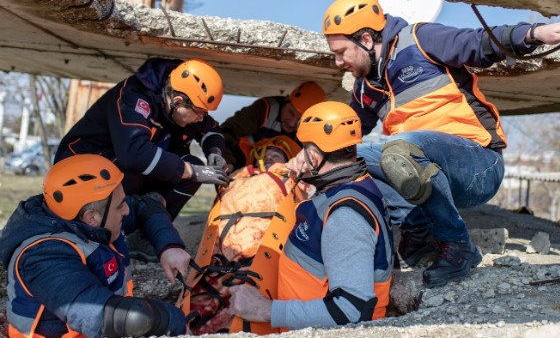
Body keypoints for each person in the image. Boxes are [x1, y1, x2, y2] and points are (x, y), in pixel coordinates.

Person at [321, 0, 560, 287]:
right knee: (351, 159)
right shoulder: (365, 87)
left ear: (366, 40)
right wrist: (306, 159)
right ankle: (421, 236)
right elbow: (344, 136)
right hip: (424, 168)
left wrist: (532, 33)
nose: (338, 61)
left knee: (398, 149)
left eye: (341, 51)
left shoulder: (419, 39)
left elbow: (477, 43)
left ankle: (459, 247)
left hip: (477, 166)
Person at [228, 101, 394, 330]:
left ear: (314, 157)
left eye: (304, 149)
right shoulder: (355, 187)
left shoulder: (345, 215)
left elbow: (350, 311)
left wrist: (265, 310)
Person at [54, 58, 230, 260]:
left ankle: (144, 234)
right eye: (199, 112)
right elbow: (135, 154)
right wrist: (193, 171)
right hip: (80, 176)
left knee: (186, 171)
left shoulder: (180, 101)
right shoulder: (132, 98)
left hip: (122, 168)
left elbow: (210, 129)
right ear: (178, 101)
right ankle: (103, 234)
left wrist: (214, 153)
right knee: (149, 171)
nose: (201, 118)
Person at [0, 154, 191, 338]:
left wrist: (168, 245)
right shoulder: (42, 256)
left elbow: (148, 204)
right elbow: (102, 315)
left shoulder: (93, 217)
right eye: (121, 205)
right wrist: (173, 321)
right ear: (91, 217)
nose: (127, 210)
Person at [220, 81, 326, 170]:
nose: (292, 123)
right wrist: (229, 164)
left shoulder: (310, 132)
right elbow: (226, 132)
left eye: (300, 120)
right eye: (291, 113)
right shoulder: (264, 110)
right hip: (243, 167)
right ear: (286, 100)